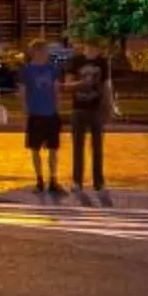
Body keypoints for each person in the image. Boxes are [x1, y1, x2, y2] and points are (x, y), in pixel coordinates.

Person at [19, 42, 66, 197]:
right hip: (35, 113)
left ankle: (53, 179)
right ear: (35, 52)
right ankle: (39, 180)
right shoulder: (26, 70)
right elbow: (22, 91)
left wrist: (58, 111)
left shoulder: (52, 69)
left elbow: (56, 89)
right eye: (43, 51)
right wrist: (25, 110)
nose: (46, 54)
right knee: (35, 149)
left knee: (53, 149)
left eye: (46, 51)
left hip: (50, 113)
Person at [65, 51, 112, 195]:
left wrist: (108, 106)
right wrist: (81, 83)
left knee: (97, 148)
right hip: (79, 108)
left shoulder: (102, 62)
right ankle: (77, 181)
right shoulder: (76, 60)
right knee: (78, 147)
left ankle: (99, 182)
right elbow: (67, 85)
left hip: (96, 109)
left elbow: (107, 85)